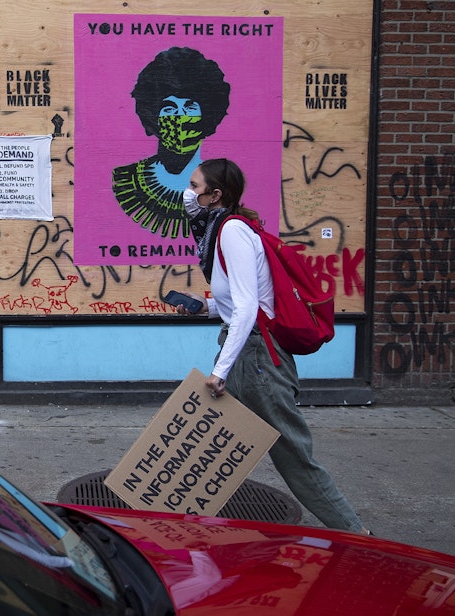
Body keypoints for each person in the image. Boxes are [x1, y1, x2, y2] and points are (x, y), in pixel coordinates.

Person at [174, 158, 370, 535]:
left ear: (216, 196)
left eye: (195, 187)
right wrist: (206, 306)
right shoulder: (224, 229)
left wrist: (220, 371)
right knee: (205, 448)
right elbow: (245, 302)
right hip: (246, 351)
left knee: (294, 458)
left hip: (256, 358)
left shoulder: (230, 231)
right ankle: (186, 529)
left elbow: (249, 308)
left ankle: (359, 538)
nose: (188, 194)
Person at [112, 47, 230, 239]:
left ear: (208, 116)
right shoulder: (127, 181)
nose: (179, 116)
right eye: (169, 108)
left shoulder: (220, 183)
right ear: (153, 116)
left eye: (190, 107)